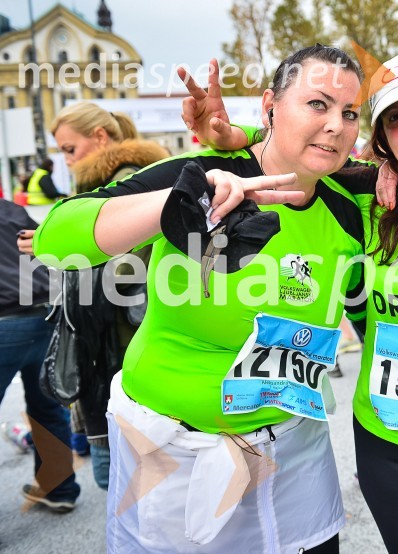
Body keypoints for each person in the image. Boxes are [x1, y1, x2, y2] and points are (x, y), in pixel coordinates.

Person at [184, 52, 398, 553]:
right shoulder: (362, 201)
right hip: (389, 448)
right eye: (394, 115)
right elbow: (295, 151)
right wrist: (235, 135)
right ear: (385, 138)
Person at [35, 44, 367, 553]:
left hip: (289, 441)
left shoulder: (351, 208)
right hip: (171, 445)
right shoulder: (202, 173)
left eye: (349, 113)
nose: (337, 125)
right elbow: (55, 241)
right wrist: (177, 205)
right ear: (270, 106)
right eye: (317, 104)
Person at [45, 102, 169, 490]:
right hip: (112, 343)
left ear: (99, 137)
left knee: (128, 480)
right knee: (121, 479)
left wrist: (68, 250)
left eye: (70, 149)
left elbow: (132, 265)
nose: (66, 161)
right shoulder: (96, 185)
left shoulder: (129, 179)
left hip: (127, 344)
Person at [0, 199, 80, 513]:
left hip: (6, 320)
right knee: (48, 405)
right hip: (42, 314)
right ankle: (58, 488)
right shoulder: (12, 211)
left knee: (47, 406)